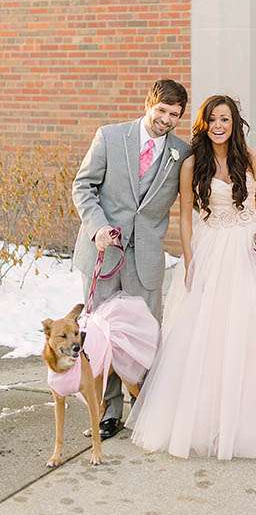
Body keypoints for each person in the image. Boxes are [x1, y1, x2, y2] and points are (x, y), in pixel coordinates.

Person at [126, 95, 256, 459]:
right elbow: (186, 217)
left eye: (225, 118)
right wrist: (190, 260)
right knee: (210, 333)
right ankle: (209, 421)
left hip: (250, 247)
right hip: (211, 249)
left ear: (235, 122)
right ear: (204, 125)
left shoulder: (252, 158)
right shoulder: (192, 164)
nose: (219, 125)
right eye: (212, 120)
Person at [72, 79, 191, 439]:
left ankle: (146, 407)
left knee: (145, 336)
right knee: (101, 337)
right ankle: (109, 411)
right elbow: (83, 186)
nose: (166, 120)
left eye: (174, 115)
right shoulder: (109, 137)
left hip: (147, 258)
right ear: (148, 104)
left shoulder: (181, 153)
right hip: (103, 254)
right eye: (162, 111)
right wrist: (98, 228)